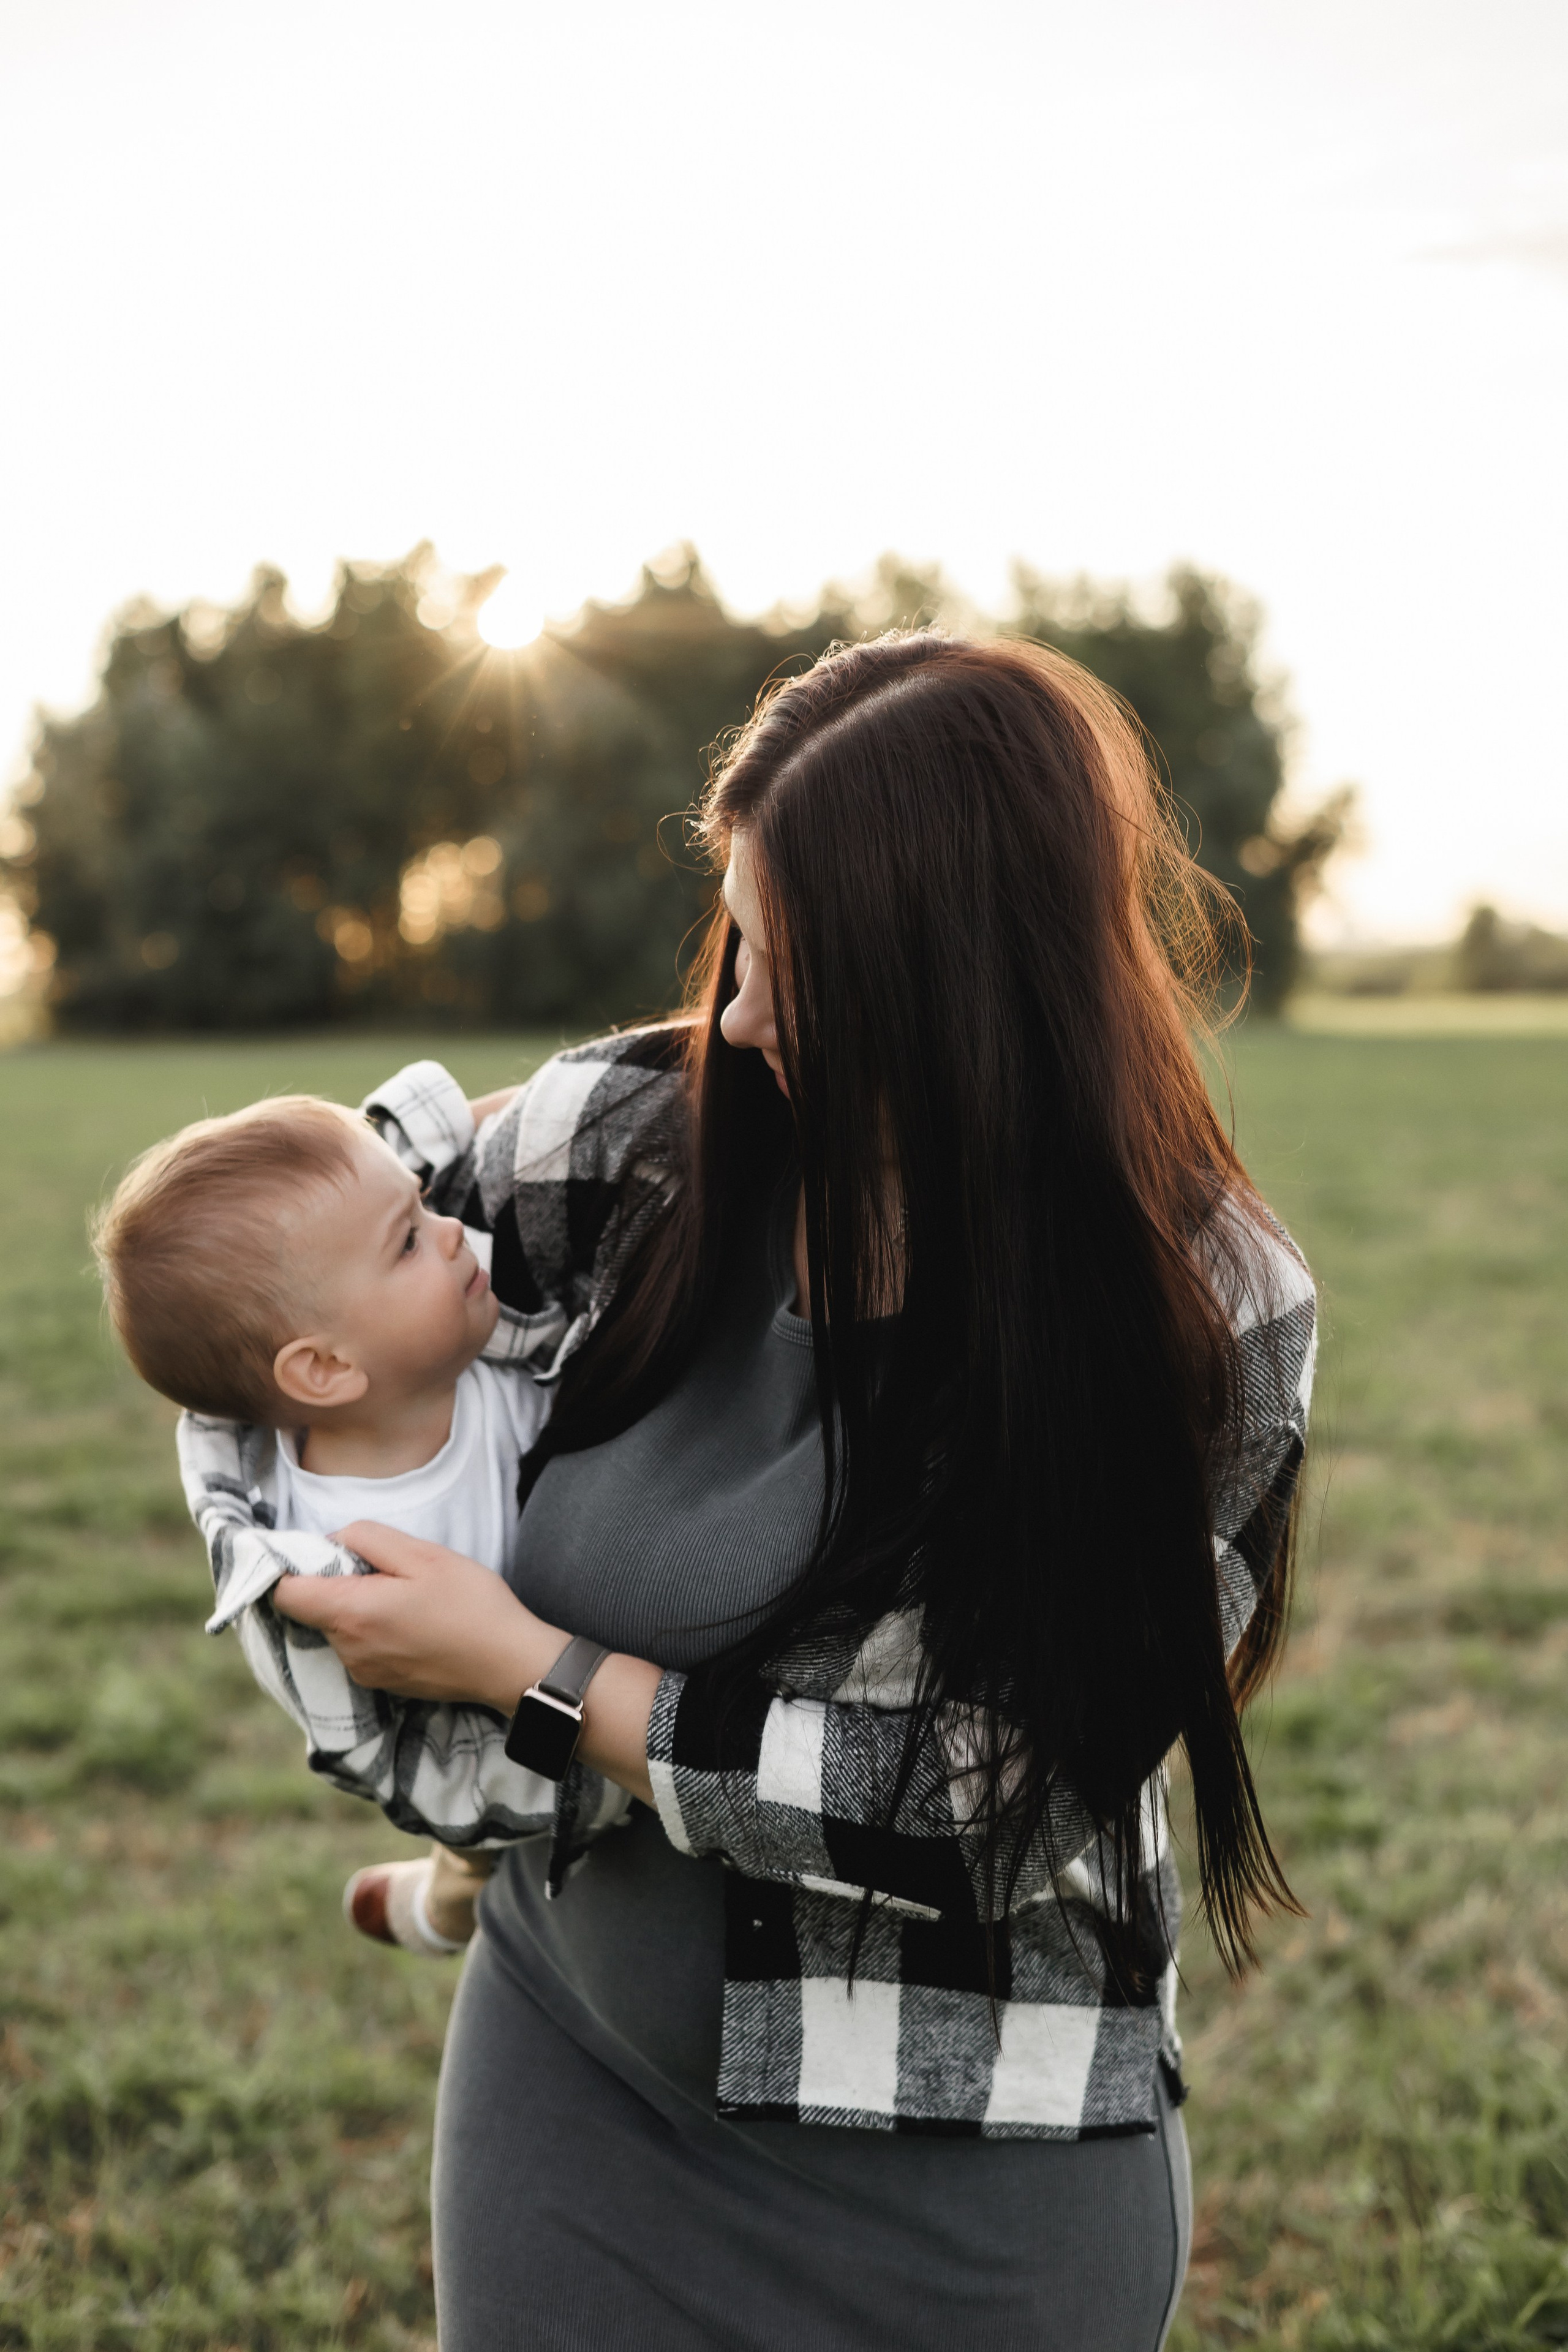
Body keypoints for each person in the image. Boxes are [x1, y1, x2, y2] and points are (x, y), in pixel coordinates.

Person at [219, 631, 1315, 2350]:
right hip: (571, 2073)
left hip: (963, 2177)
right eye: (739, 942)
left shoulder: (1202, 1308)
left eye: (802, 972)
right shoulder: (643, 1132)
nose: (734, 1015)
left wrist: (529, 1674)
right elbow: (252, 1306)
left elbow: (984, 1808)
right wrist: (384, 1690)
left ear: (961, 978)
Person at [91, 1087, 556, 1954]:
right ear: (327, 1368)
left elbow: (442, 1132)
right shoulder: (344, 1561)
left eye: (424, 1205)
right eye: (409, 1240)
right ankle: (448, 1901)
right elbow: (419, 1741)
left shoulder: (448, 1344)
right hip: (489, 1745)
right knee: (481, 1849)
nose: (451, 1230)